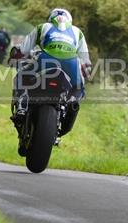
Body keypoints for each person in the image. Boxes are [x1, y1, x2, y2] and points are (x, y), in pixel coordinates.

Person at [7, 8, 92, 136]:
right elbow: (86, 62)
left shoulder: (43, 27)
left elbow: (23, 50)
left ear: (50, 19)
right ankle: (69, 110)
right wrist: (84, 75)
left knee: (22, 75)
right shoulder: (78, 32)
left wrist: (14, 54)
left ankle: (22, 107)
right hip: (71, 65)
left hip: (45, 60)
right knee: (79, 89)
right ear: (70, 21)